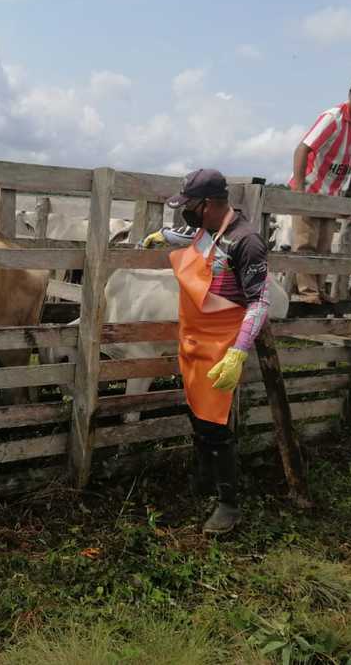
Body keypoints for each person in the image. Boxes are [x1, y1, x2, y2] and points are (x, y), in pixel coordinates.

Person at [139, 168, 271, 534]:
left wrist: (238, 353)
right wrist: (161, 236)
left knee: (215, 424)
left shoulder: (246, 242)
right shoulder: (207, 229)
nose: (187, 213)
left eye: (190, 206)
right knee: (196, 413)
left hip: (222, 345)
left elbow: (260, 301)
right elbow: (188, 236)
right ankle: (203, 480)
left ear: (210, 204)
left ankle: (229, 504)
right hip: (193, 338)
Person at [289, 73, 351, 303]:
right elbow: (302, 148)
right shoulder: (333, 117)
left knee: (324, 245)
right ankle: (307, 292)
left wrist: (350, 192)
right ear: (350, 94)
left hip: (333, 190)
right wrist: (299, 192)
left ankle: (319, 290)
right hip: (310, 184)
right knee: (305, 242)